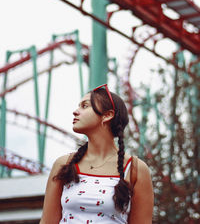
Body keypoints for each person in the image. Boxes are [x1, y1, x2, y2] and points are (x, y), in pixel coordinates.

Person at [40, 84, 154, 223]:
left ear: (107, 115)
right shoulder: (64, 164)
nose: (75, 112)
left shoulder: (135, 169)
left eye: (85, 106)